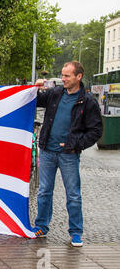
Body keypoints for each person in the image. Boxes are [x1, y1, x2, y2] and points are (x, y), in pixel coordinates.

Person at [33, 61, 102, 247]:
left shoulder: (88, 102)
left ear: (78, 77)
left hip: (69, 154)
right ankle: (41, 226)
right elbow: (35, 100)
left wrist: (75, 144)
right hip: (47, 150)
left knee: (73, 195)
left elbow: (95, 131)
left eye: (66, 76)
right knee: (44, 191)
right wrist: (35, 86)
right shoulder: (55, 94)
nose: (63, 79)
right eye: (62, 75)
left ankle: (76, 232)